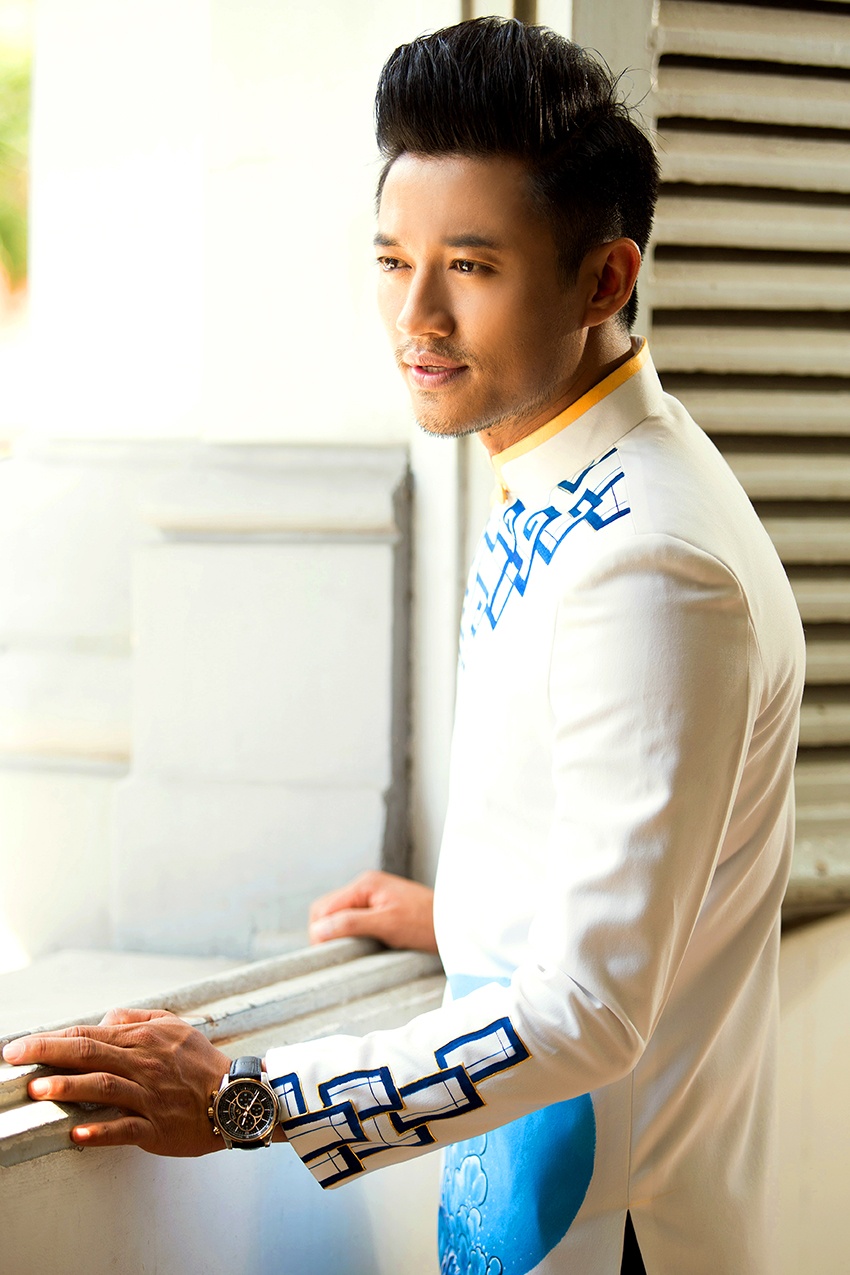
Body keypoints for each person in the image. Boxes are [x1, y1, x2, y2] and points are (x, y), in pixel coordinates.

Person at [2, 18, 804, 1274]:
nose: (415, 317)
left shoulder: (651, 562)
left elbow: (593, 1007)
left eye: (471, 266)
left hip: (619, 1235)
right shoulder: (562, 465)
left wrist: (246, 1099)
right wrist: (473, 914)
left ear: (603, 281)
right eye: (392, 260)